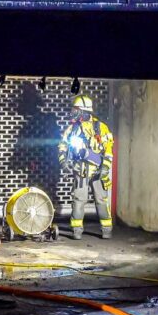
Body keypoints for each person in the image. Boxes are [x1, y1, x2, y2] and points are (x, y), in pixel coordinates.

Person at [58, 94, 114, 239]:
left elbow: (108, 148)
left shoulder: (100, 128)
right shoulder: (72, 128)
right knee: (78, 199)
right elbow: (63, 145)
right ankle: (77, 230)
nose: (73, 112)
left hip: (98, 170)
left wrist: (105, 167)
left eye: (76, 109)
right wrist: (63, 161)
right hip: (81, 169)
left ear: (84, 110)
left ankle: (106, 228)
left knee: (101, 199)